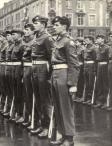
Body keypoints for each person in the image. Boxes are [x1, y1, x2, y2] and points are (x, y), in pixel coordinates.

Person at [50, 16, 80, 146]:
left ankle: (70, 138)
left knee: (66, 108)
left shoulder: (68, 42)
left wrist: (73, 83)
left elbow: (74, 64)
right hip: (55, 74)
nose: (54, 26)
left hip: (63, 74)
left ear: (64, 26)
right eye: (54, 24)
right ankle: (63, 135)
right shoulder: (57, 40)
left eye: (56, 25)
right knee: (58, 107)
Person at [30, 15, 53, 138]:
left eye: (37, 23)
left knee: (45, 99)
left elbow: (51, 57)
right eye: (34, 23)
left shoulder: (47, 38)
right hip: (35, 68)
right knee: (38, 98)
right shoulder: (36, 37)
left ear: (43, 25)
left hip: (43, 69)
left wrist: (49, 75)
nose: (34, 25)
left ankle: (47, 126)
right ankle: (41, 124)